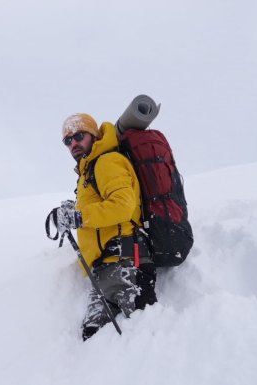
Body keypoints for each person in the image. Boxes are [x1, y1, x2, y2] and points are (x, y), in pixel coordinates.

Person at [55, 113, 157, 341]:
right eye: (67, 141)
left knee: (142, 341)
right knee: (94, 341)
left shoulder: (107, 162)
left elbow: (123, 205)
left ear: (94, 135)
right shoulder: (89, 171)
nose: (73, 144)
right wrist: (74, 211)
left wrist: (79, 217)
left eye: (79, 136)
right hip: (106, 272)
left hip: (125, 264)